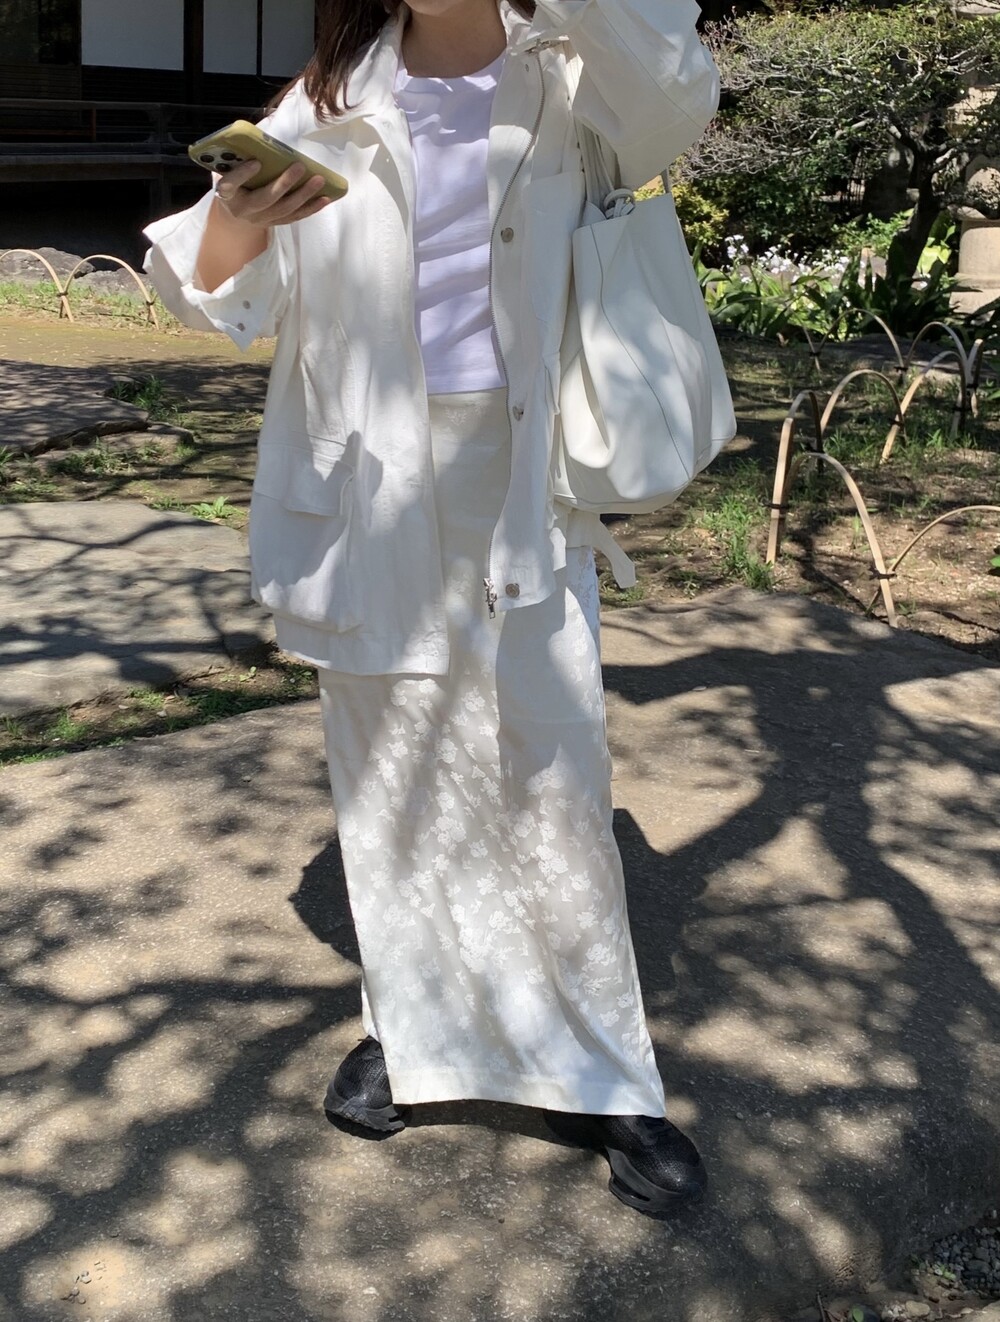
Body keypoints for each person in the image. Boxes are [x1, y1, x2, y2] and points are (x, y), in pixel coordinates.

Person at [144, 0, 720, 1218]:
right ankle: (408, 1033)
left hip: (523, 474)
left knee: (552, 770)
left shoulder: (574, 63)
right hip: (366, 479)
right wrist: (242, 216)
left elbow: (679, 98)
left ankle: (602, 1073)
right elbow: (210, 290)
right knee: (395, 774)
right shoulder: (333, 93)